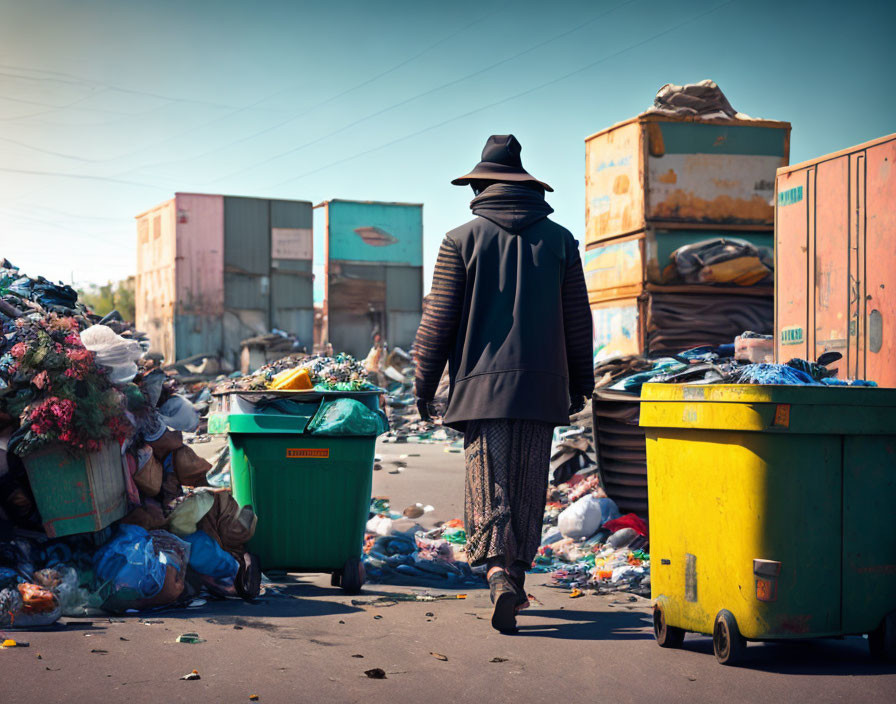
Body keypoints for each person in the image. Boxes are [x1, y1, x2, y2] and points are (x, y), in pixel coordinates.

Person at [414, 134, 594, 633]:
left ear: (481, 185)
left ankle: (497, 575)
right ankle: (515, 575)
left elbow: (438, 321)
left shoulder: (460, 239)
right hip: (543, 387)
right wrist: (581, 383)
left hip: (480, 388)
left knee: (489, 483)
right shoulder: (560, 241)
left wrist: (424, 385)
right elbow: (578, 321)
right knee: (529, 482)